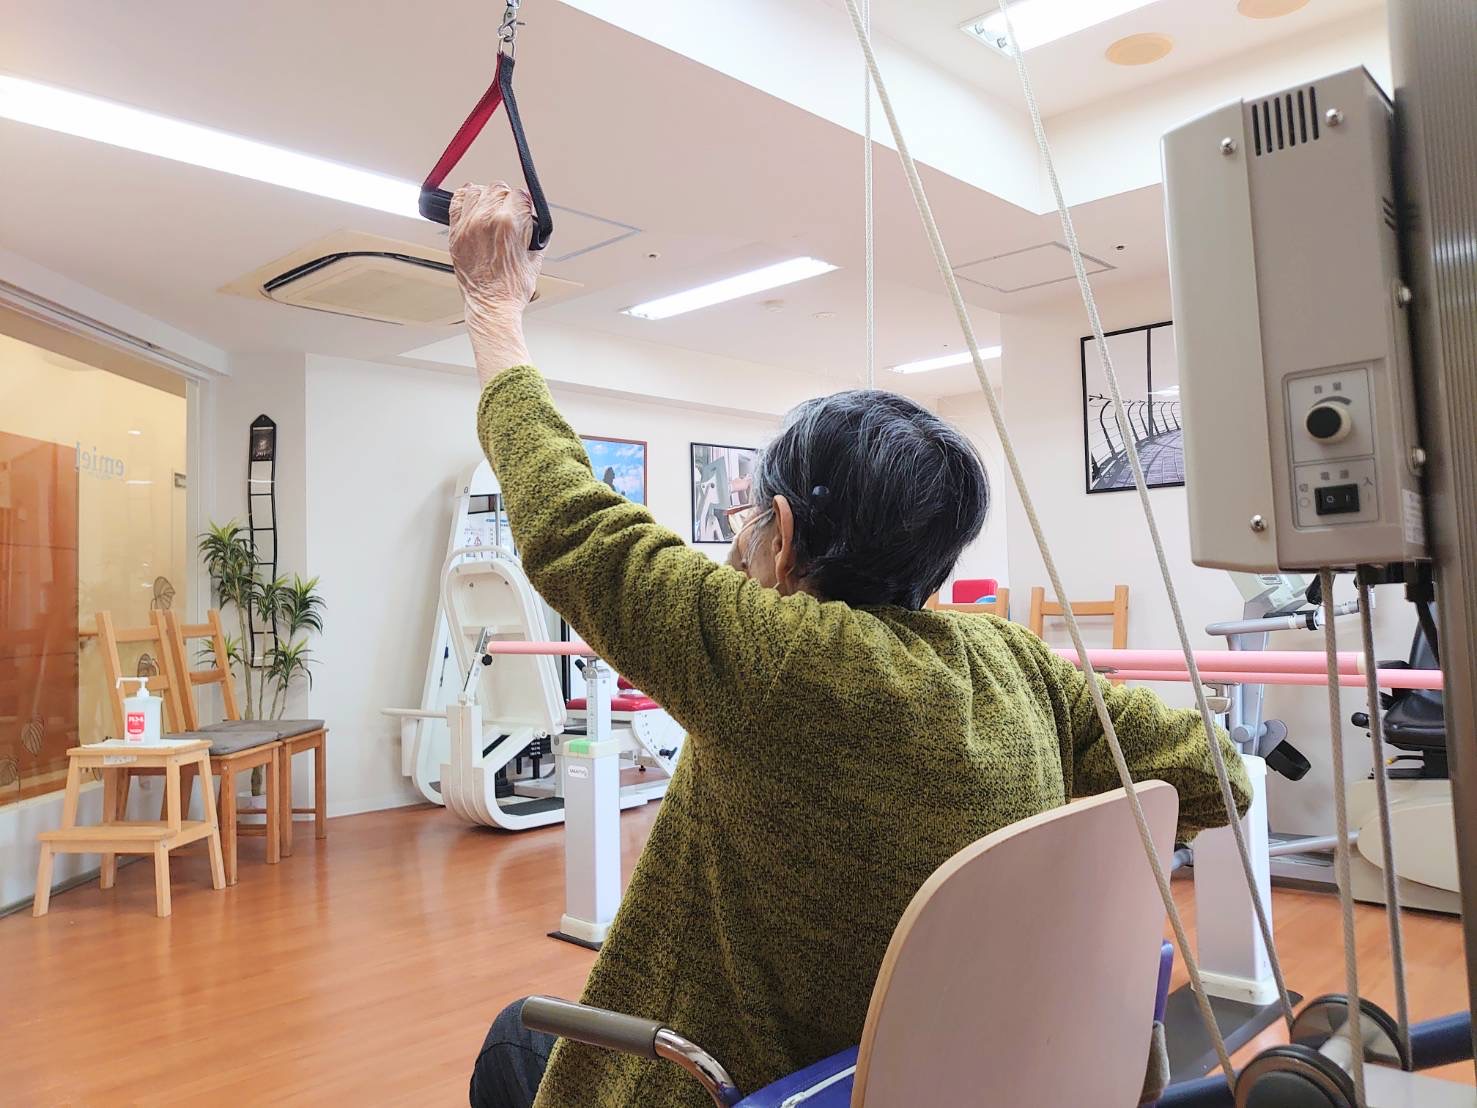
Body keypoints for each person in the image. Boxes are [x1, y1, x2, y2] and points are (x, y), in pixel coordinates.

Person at [453, 182, 1251, 1108]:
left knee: (515, 1039)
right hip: (966, 1075)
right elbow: (1217, 777)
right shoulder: (1015, 664)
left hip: (759, 1082)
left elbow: (569, 522)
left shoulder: (780, 659)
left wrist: (493, 306)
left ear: (783, 532)